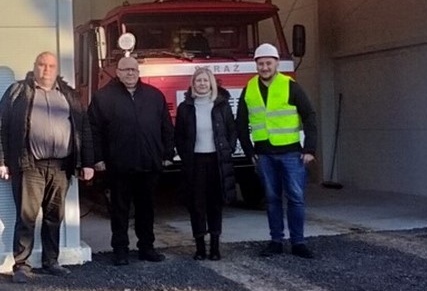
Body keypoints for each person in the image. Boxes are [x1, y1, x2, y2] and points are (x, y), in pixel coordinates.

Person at [0, 50, 94, 282]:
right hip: (30, 166)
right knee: (26, 217)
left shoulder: (69, 95)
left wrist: (87, 162)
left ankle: (51, 262)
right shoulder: (18, 92)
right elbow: (0, 125)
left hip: (61, 167)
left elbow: (84, 129)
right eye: (42, 64)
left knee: (54, 217)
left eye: (51, 66)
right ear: (34, 66)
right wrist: (1, 161)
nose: (46, 69)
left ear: (57, 69)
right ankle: (21, 265)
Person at [89, 53, 175, 266]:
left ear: (138, 72)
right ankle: (120, 250)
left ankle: (147, 248)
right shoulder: (103, 98)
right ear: (117, 72)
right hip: (118, 164)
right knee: (120, 211)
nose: (130, 73)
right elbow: (93, 130)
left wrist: (167, 154)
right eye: (125, 70)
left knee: (147, 209)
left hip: (148, 163)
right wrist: (97, 158)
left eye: (133, 70)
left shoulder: (155, 96)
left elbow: (166, 126)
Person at [237, 43, 318, 259]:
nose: (264, 67)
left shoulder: (290, 86)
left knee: (295, 198)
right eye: (261, 64)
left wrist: (310, 148)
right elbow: (241, 123)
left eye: (268, 63)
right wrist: (249, 151)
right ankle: (276, 241)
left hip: (291, 153)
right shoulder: (249, 89)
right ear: (256, 65)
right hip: (264, 155)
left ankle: (298, 242)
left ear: (276, 64)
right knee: (272, 199)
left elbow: (309, 115)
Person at [174, 65, 237, 260]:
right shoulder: (185, 108)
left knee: (215, 204)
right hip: (195, 162)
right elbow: (179, 135)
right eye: (198, 80)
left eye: (205, 80)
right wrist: (185, 155)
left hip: (216, 161)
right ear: (193, 84)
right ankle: (200, 248)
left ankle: (215, 248)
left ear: (212, 83)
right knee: (197, 205)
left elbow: (231, 130)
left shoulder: (222, 106)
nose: (202, 84)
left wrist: (228, 149)